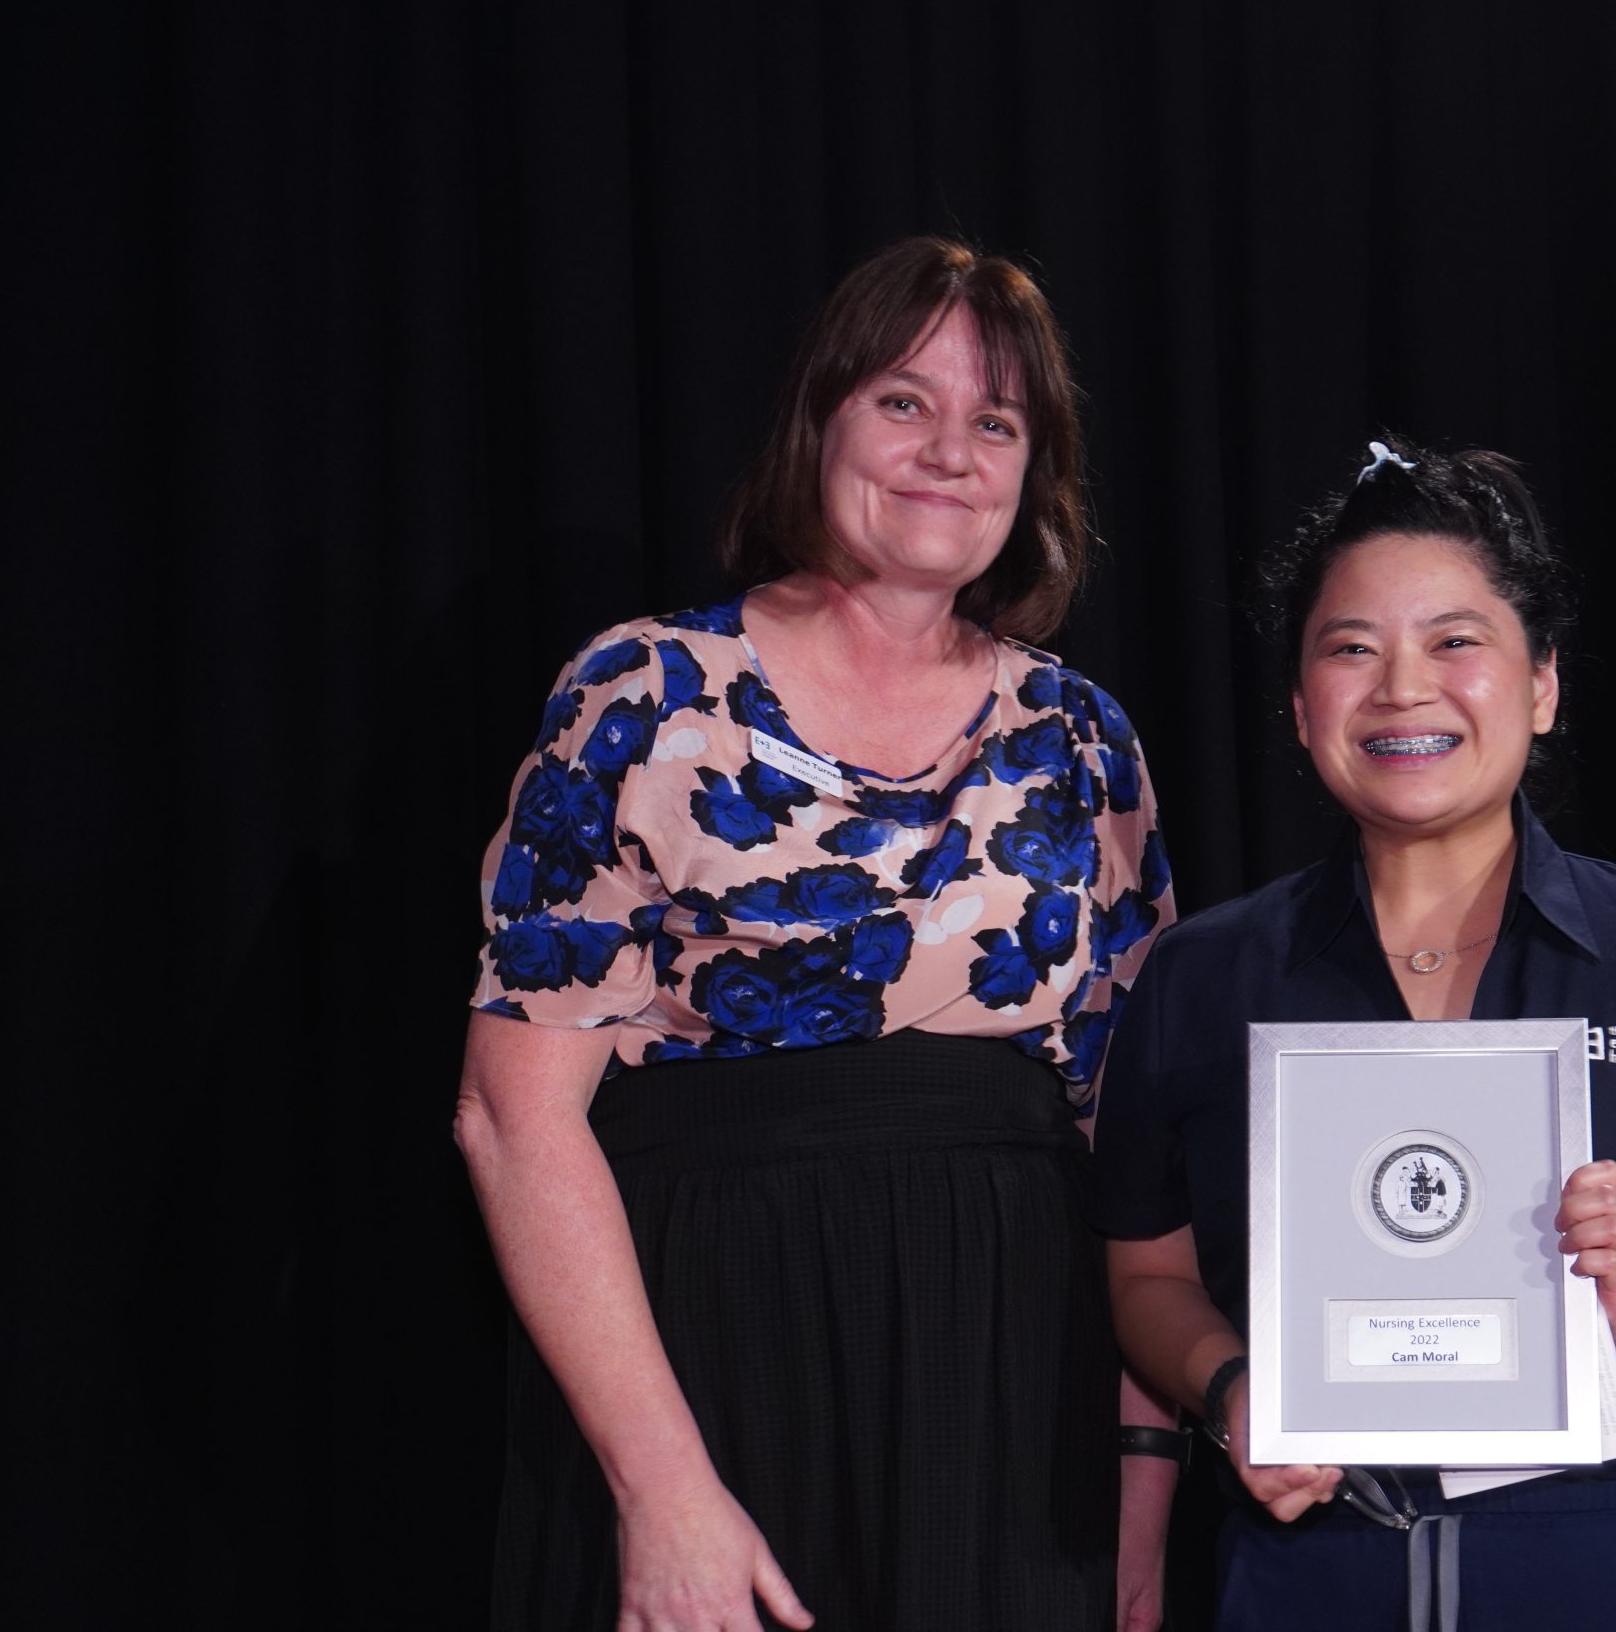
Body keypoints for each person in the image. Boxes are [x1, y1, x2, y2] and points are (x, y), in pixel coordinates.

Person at [454, 236, 1178, 1632]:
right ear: (821, 419)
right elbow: (511, 1117)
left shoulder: (1081, 736)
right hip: (708, 1353)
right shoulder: (646, 692)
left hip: (1011, 1403)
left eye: (997, 421)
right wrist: (662, 1485)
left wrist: (1143, 1476)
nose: (949, 451)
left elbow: (1136, 1147)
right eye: (905, 401)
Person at [1091, 440, 1616, 1630]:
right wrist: (1233, 1385)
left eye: (1456, 641)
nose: (1403, 686)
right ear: (1303, 712)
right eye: (1351, 648)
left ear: (1542, 684)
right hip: (1319, 1565)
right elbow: (1148, 1274)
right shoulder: (1206, 973)